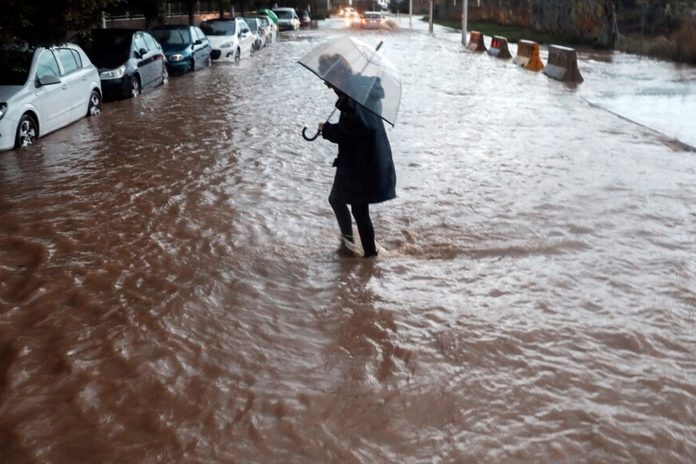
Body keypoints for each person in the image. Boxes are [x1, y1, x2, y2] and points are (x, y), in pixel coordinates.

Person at [317, 53, 396, 258]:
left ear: (338, 74)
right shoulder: (357, 90)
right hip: (359, 158)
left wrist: (328, 130)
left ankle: (366, 254)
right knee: (340, 200)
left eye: (327, 79)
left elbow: (361, 126)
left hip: (363, 160)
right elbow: (358, 125)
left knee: (355, 208)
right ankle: (352, 248)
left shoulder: (354, 93)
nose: (327, 85)